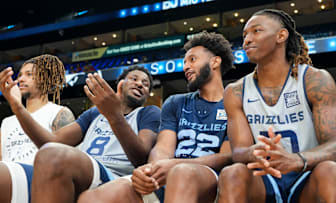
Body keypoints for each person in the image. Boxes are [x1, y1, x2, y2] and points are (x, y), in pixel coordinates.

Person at [77, 31, 233, 203]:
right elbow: (163, 148)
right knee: (90, 198)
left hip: (209, 176)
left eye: (193, 60)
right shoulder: (175, 102)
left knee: (182, 173)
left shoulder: (232, 101)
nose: (186, 66)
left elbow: (226, 156)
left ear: (215, 61)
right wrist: (151, 170)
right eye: (184, 62)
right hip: (170, 172)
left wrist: (173, 165)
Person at [218, 9, 336, 203]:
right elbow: (239, 151)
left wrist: (296, 160)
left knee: (335, 173)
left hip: (306, 174)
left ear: (281, 36)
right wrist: (253, 152)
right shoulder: (235, 91)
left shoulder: (315, 80)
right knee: (232, 173)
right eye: (245, 35)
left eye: (256, 31)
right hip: (263, 179)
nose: (246, 40)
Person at [0, 65, 160, 203]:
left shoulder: (149, 113)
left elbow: (142, 158)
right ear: (120, 84)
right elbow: (49, 142)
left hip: (116, 176)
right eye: (134, 79)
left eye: (145, 84)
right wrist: (17, 107)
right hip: (80, 170)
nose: (140, 84)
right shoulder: (94, 113)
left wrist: (114, 116)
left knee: (54, 155)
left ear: (147, 94)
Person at [0, 54, 75, 203]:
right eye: (20, 75)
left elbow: (67, 162)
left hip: (39, 183)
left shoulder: (59, 113)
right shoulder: (7, 121)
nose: (21, 79)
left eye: (29, 75)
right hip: (6, 181)